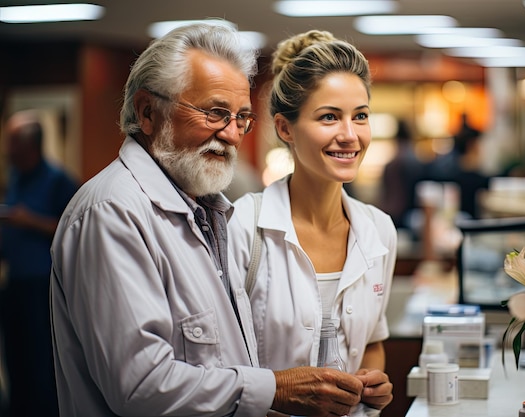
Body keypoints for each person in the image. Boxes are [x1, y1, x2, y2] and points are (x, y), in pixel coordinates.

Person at [49, 22, 365, 417]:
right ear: (148, 112)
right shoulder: (112, 213)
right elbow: (141, 387)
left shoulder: (207, 211)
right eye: (215, 113)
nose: (232, 134)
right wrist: (275, 388)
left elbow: (216, 366)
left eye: (242, 118)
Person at [228, 30, 396, 416]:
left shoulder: (380, 230)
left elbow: (372, 340)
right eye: (329, 118)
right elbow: (216, 361)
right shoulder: (243, 227)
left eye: (361, 116)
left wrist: (374, 381)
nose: (350, 135)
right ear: (285, 129)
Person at [0, 109, 79, 417]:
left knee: (40, 364)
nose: (7, 149)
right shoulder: (16, 176)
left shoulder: (59, 180)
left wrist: (28, 220)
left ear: (29, 144)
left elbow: (73, 229)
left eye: (11, 141)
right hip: (14, 282)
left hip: (43, 287)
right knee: (14, 360)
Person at [379, 119, 425, 233]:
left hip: (392, 211)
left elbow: (385, 192)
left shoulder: (390, 164)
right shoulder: (415, 162)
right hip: (408, 214)